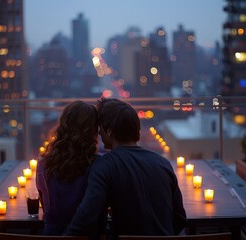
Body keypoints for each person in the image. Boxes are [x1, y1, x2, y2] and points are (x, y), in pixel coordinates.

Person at [65, 98, 187, 238]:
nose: (99, 134)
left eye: (101, 129)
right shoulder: (163, 163)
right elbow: (180, 220)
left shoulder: (104, 166)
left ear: (109, 131)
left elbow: (86, 216)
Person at [36, 100, 100, 235]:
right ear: (93, 130)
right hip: (86, 235)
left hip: (51, 235)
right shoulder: (97, 165)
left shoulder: (43, 164)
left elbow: (46, 207)